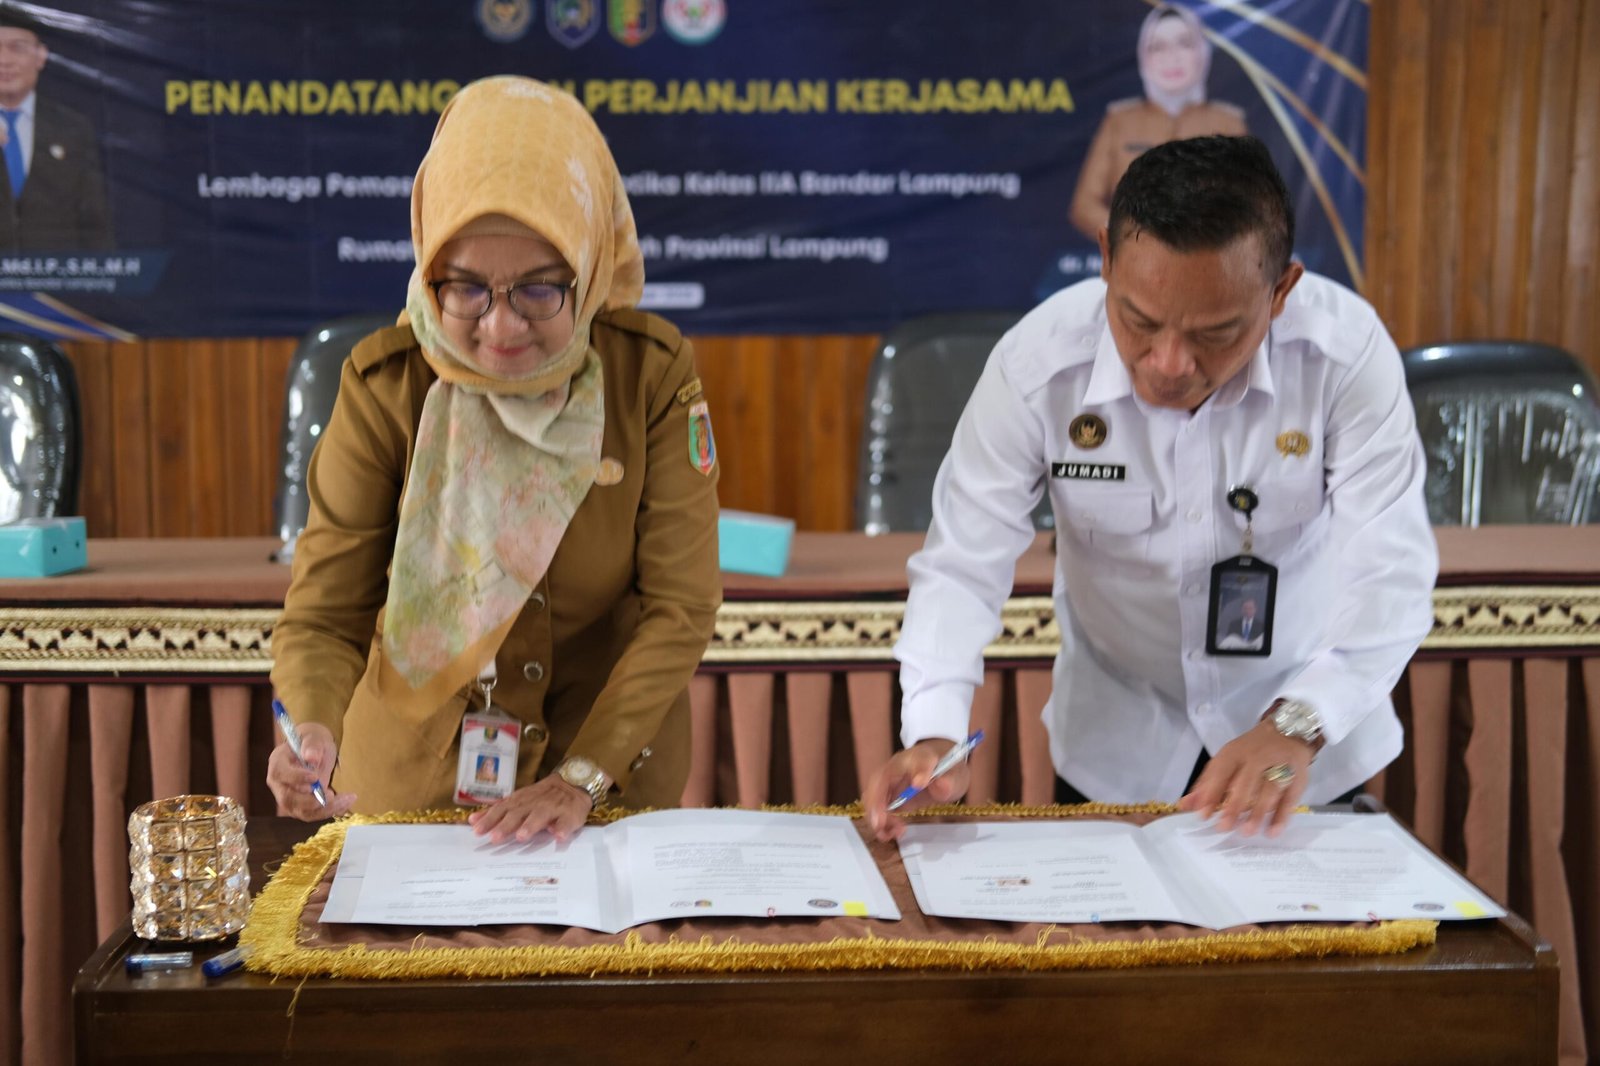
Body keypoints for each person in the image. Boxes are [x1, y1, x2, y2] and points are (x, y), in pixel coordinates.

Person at [866, 135, 1437, 841]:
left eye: (1215, 333)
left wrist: (1298, 724)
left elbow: (1391, 574)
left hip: (1303, 744)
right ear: (1106, 259)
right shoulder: (1038, 366)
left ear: (1281, 291)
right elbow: (962, 564)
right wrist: (933, 731)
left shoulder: (1342, 357)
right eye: (1139, 321)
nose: (1168, 363)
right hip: (1119, 744)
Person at [267, 76, 721, 844]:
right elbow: (325, 615)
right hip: (414, 788)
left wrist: (583, 777)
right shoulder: (386, 386)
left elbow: (680, 607)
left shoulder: (648, 375)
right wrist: (311, 729)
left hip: (603, 784)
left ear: (589, 265)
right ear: (428, 268)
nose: (501, 327)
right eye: (466, 288)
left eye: (540, 290)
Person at [1068, 3, 1244, 243]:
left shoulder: (1228, 123)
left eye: (1184, 43)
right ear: (1143, 58)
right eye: (1158, 47)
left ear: (1201, 53)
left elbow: (1251, 205)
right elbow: (1084, 206)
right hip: (1134, 258)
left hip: (1209, 256)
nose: (1172, 57)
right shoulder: (1120, 121)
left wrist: (1205, 240)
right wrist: (1134, 236)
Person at [0, 4, 112, 250]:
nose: (4, 60)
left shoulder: (73, 128)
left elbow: (95, 222)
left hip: (55, 271)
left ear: (41, 56)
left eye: (17, 48)